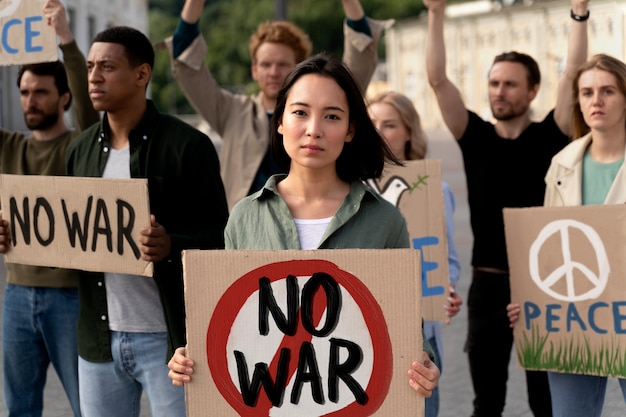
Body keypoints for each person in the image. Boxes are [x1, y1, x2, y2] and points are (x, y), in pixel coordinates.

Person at [167, 52, 441, 399]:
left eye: (332, 116)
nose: (314, 129)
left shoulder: (386, 221)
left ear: (350, 129)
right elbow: (230, 320)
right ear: (279, 120)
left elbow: (406, 324)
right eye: (300, 112)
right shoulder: (244, 217)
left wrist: (426, 362)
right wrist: (191, 357)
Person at [424, 0, 589, 415]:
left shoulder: (553, 133)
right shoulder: (473, 135)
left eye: (510, 84)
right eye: (494, 83)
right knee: (487, 401)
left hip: (544, 286)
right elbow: (438, 79)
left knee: (545, 401)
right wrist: (435, 13)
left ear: (533, 90)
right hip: (487, 286)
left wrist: (579, 13)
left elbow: (572, 74)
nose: (499, 91)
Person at [64, 26, 228, 417]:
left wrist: (172, 245)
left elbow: (222, 239)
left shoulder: (189, 146)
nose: (94, 77)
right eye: (89, 67)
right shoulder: (79, 150)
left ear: (141, 75)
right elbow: (67, 235)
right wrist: (18, 238)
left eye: (107, 66)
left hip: (170, 341)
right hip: (98, 342)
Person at [163, 0, 393, 209]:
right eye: (265, 64)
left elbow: (360, 54)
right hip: (247, 234)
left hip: (317, 219)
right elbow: (187, 65)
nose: (273, 72)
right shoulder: (232, 110)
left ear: (300, 68)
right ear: (254, 69)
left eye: (283, 64)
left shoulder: (333, 99)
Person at [507, 53, 626, 417]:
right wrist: (531, 300)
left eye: (608, 91)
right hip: (574, 318)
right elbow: (550, 248)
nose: (596, 101)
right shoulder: (562, 164)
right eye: (587, 92)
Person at [0, 1, 99, 415]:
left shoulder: (81, 146)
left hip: (71, 298)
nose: (30, 101)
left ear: (63, 98)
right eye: (24, 92)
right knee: (19, 408)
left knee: (86, 405)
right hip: (16, 294)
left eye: (40, 92)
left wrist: (66, 39)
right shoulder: (10, 146)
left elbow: (90, 106)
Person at [368, 91, 463, 417]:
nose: (378, 131)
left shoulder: (437, 190)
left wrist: (445, 290)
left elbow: (447, 260)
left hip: (421, 334)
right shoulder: (350, 188)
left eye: (389, 125)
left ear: (409, 131)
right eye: (371, 123)